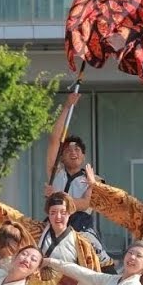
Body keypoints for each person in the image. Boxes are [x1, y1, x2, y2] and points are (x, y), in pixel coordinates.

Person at [44, 95, 96, 232]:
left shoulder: (93, 179)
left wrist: (55, 196)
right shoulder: (56, 172)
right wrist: (67, 106)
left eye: (77, 149)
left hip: (81, 227)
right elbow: (55, 139)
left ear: (83, 156)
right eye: (68, 150)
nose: (73, 152)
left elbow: (84, 204)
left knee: (95, 250)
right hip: (54, 225)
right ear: (61, 157)